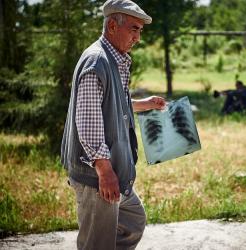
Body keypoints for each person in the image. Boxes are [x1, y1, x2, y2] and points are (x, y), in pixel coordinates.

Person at [60, 1, 165, 249]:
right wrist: (105, 172)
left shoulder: (113, 59)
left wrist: (145, 103)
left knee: (133, 221)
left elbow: (112, 105)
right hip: (98, 177)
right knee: (97, 244)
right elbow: (87, 122)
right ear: (112, 26)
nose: (138, 38)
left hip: (115, 172)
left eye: (140, 31)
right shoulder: (97, 62)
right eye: (134, 29)